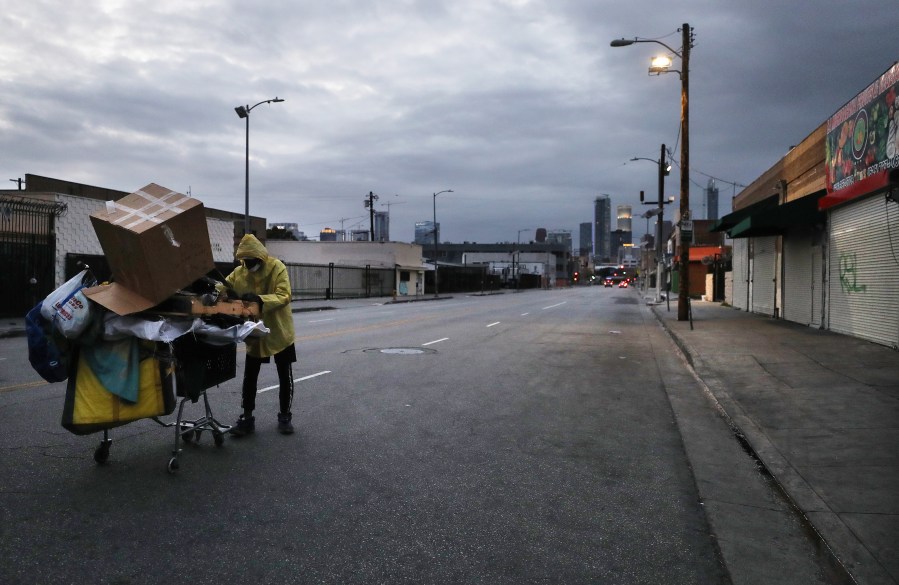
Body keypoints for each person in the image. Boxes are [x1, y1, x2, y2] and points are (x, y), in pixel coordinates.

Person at [224, 234, 296, 435]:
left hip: (280, 331)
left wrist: (259, 300)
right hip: (255, 332)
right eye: (245, 261)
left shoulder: (277, 268)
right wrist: (214, 289)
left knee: (285, 375)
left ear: (260, 257)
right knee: (250, 377)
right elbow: (225, 286)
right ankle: (247, 418)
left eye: (251, 261)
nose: (248, 265)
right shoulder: (240, 273)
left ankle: (285, 416)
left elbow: (284, 295)